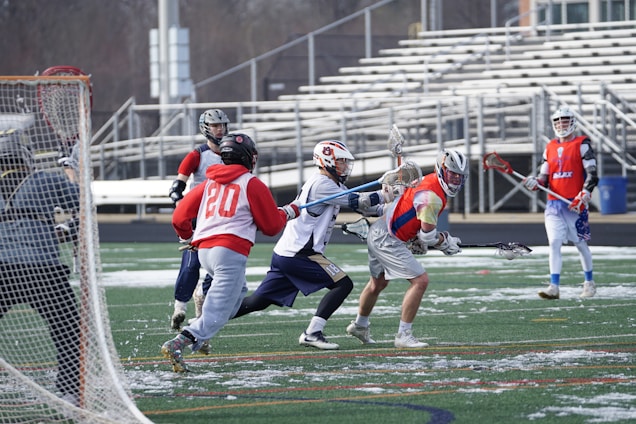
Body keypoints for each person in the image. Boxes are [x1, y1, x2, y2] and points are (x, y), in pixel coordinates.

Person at [232, 140, 395, 350]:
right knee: (343, 284)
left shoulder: (332, 185)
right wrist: (385, 193)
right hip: (300, 253)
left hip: (287, 253)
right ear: (326, 161)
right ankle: (312, 333)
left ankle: (207, 319)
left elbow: (367, 209)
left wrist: (391, 206)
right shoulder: (321, 184)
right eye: (341, 162)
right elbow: (357, 201)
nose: (345, 167)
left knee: (258, 301)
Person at [161, 133, 300, 372]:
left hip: (206, 252)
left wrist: (187, 236)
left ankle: (201, 332)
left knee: (236, 299)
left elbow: (179, 216)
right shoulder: (251, 183)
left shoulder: (207, 183)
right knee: (219, 310)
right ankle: (181, 341)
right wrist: (288, 212)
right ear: (248, 158)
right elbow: (271, 227)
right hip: (229, 253)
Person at [347, 149, 468, 348]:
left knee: (378, 284)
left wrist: (415, 238)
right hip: (388, 238)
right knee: (420, 281)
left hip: (381, 229)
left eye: (459, 176)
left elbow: (410, 215)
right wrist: (445, 242)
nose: (455, 180)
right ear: (441, 170)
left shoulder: (430, 181)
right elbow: (428, 235)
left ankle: (360, 325)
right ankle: (403, 335)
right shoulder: (431, 196)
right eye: (452, 173)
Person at [0, 129, 80, 405]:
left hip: (2, 271)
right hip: (43, 269)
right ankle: (70, 392)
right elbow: (79, 202)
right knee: (68, 331)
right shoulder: (44, 179)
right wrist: (71, 169)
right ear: (25, 155)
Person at [523, 106, 598, 300]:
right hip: (554, 204)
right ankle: (554, 286)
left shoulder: (582, 144)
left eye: (565, 121)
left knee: (580, 244)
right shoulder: (550, 148)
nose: (561, 125)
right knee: (554, 243)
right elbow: (543, 178)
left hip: (575, 204)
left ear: (572, 122)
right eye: (558, 121)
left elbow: (592, 174)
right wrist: (535, 183)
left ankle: (589, 282)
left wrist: (584, 194)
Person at [168, 108, 230, 332]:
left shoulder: (233, 152)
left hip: (223, 216)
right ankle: (180, 307)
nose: (220, 129)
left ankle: (202, 297)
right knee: (192, 261)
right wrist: (182, 208)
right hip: (199, 215)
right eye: (215, 126)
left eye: (222, 125)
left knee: (219, 263)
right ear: (206, 128)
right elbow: (176, 188)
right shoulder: (198, 155)